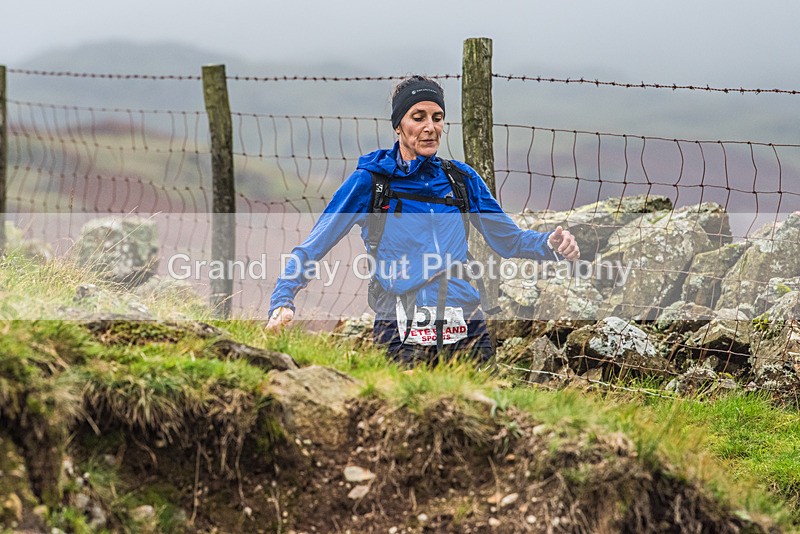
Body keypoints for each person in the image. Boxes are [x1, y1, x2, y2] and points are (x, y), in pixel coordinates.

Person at [266, 75, 579, 366]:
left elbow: (509, 241)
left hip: (465, 325)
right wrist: (283, 300)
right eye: (418, 117)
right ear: (398, 126)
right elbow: (312, 247)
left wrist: (549, 244)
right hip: (399, 329)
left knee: (482, 420)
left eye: (437, 117)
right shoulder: (371, 183)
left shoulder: (462, 180)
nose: (430, 127)